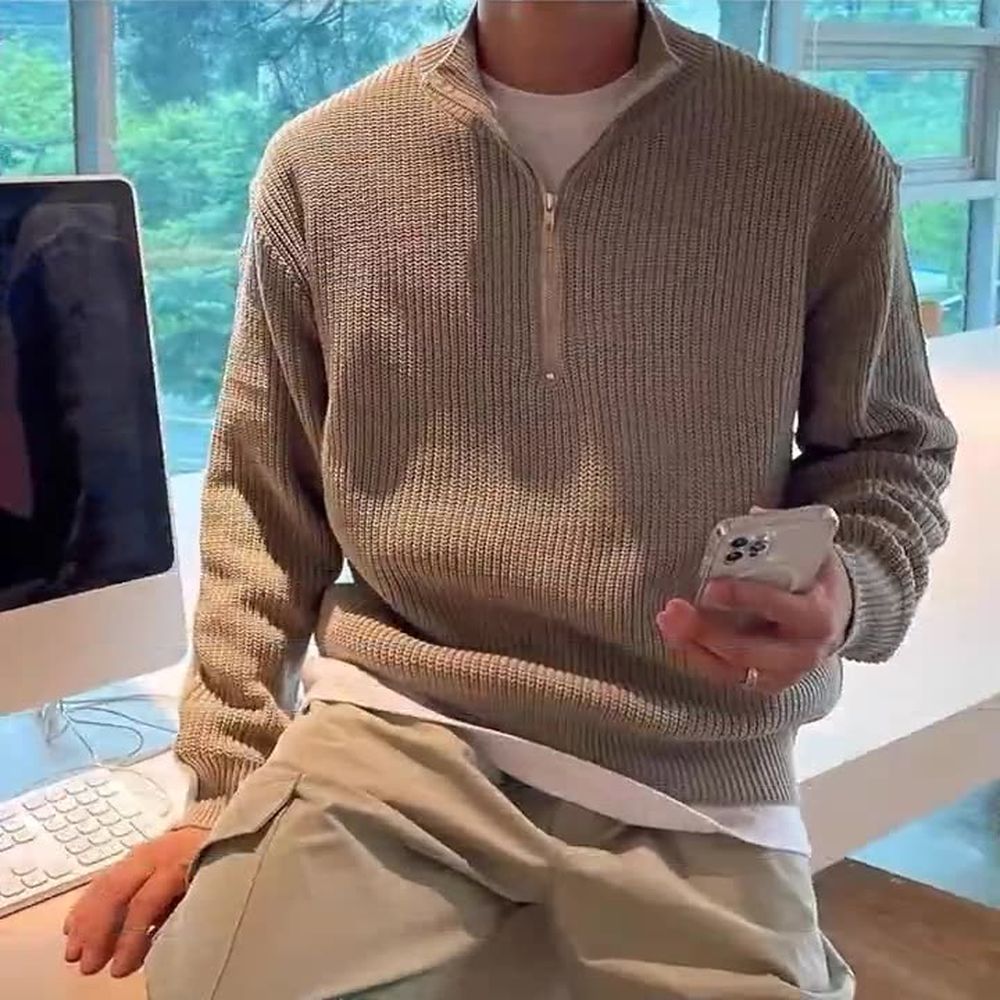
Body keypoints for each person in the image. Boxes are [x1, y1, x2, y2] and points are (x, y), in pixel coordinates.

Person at [63, 2, 957, 997]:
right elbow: (264, 505)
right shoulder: (322, 163)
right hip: (392, 731)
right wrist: (221, 788)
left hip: (692, 769)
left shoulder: (811, 151)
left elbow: (889, 448)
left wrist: (847, 589)